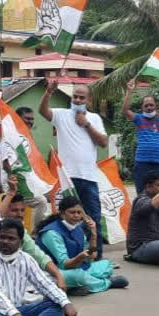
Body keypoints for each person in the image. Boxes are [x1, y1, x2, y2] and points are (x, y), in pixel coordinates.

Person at [40, 79, 108, 258]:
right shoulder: (62, 114)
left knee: (92, 218)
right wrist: (48, 93)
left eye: (81, 98)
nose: (77, 100)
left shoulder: (94, 118)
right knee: (67, 218)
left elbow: (103, 142)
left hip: (89, 177)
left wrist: (85, 124)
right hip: (67, 178)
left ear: (89, 100)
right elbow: (43, 112)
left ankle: (96, 257)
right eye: (75, 97)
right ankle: (68, 256)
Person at [36, 196, 129, 295]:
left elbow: (92, 257)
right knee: (78, 276)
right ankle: (106, 283)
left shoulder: (77, 228)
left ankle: (79, 285)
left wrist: (93, 234)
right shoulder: (51, 233)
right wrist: (80, 258)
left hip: (75, 267)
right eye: (72, 212)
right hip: (54, 271)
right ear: (62, 214)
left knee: (107, 265)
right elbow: (64, 265)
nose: (76, 215)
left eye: (79, 212)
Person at [0, 175, 68, 291]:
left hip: (19, 277)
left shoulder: (20, 231)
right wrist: (11, 193)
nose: (19, 214)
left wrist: (58, 275)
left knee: (54, 277)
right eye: (14, 210)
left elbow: (39, 256)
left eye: (22, 210)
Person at [122, 80, 159, 190]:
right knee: (142, 195)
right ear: (142, 107)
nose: (149, 107)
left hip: (158, 164)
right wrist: (129, 91)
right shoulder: (139, 118)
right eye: (146, 105)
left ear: (156, 106)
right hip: (142, 164)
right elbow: (125, 111)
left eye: (151, 105)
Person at [0, 108, 50, 227]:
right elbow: (6, 162)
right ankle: (36, 233)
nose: (30, 121)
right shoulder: (10, 136)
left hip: (23, 181)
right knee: (40, 202)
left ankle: (22, 234)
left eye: (32, 119)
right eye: (27, 119)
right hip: (15, 182)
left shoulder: (24, 137)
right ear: (17, 119)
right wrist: (13, 179)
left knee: (19, 210)